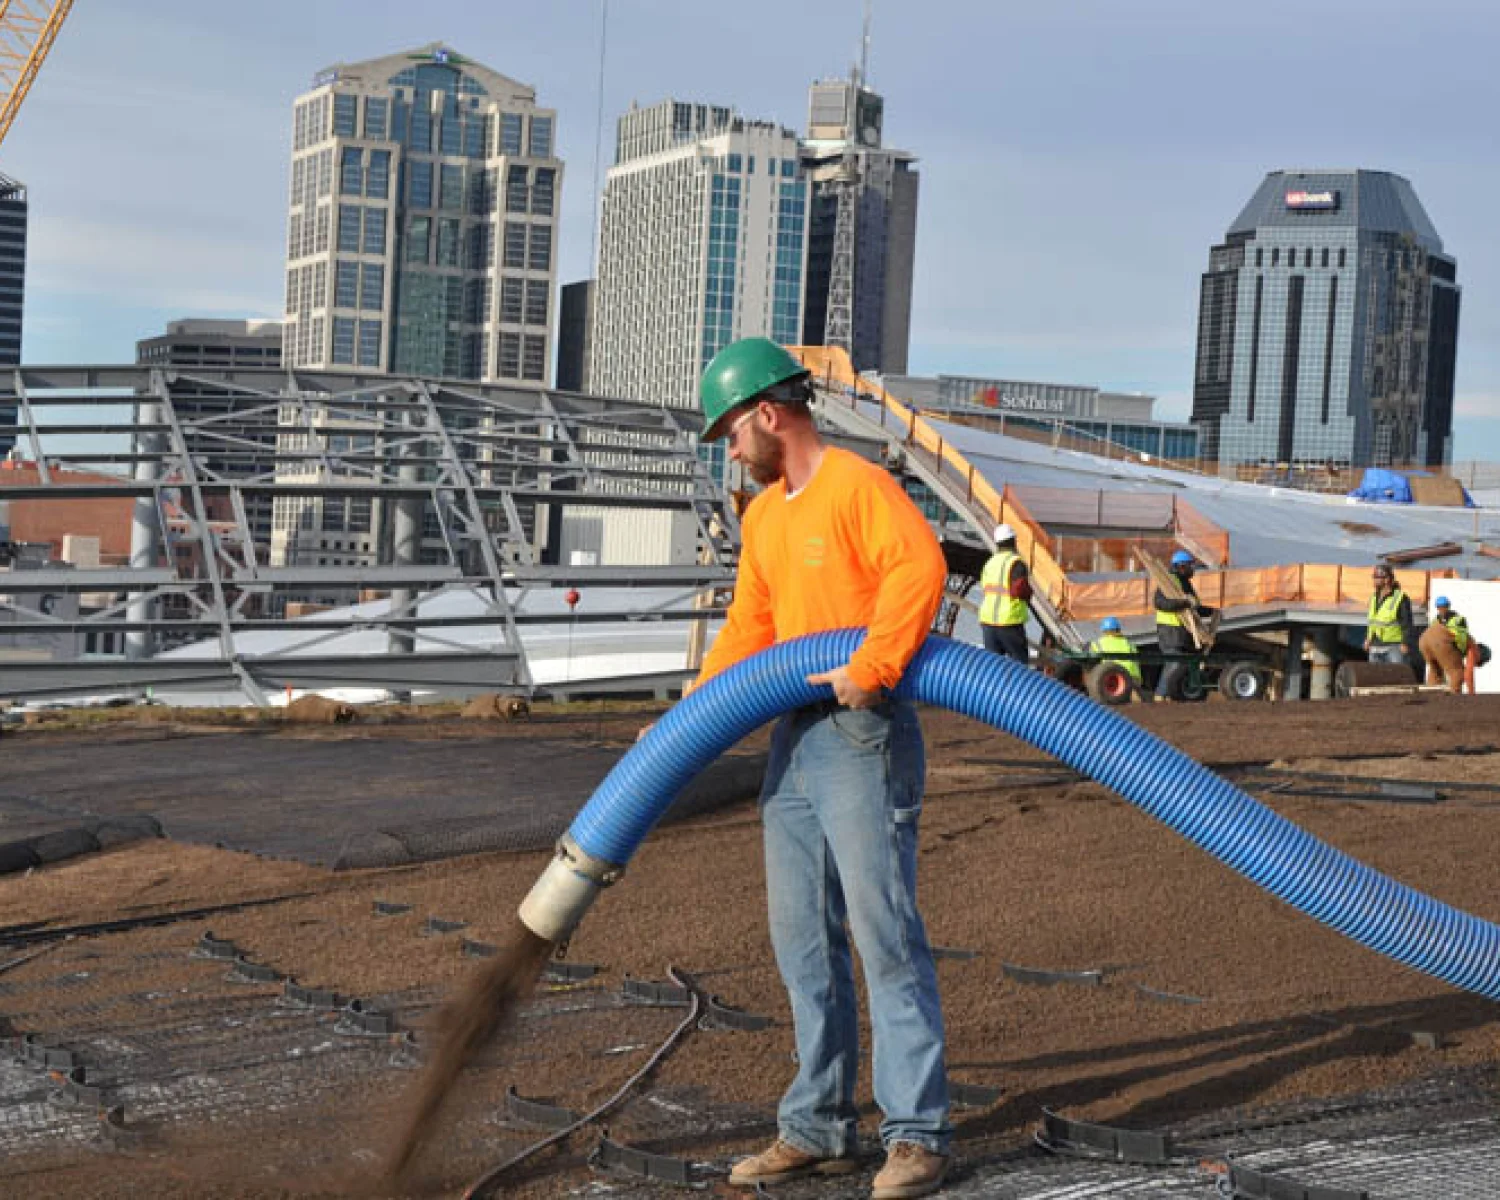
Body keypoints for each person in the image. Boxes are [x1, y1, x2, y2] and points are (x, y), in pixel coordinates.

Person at [694, 338, 952, 1198]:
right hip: (792, 741)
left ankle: (915, 1137)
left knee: (883, 933)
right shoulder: (766, 515)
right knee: (801, 936)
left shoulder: (856, 486)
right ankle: (819, 1126)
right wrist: (696, 711)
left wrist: (872, 666)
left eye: (730, 431)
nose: (729, 449)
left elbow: (919, 568)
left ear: (768, 415)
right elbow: (751, 626)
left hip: (857, 732)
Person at [1153, 550, 1214, 702]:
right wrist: (1185, 602)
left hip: (1181, 631)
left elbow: (1195, 607)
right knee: (1175, 662)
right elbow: (1160, 603)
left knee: (1179, 663)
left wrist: (1211, 611)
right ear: (1181, 566)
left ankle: (1167, 695)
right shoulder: (1170, 582)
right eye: (1190, 566)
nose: (1192, 569)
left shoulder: (1186, 584)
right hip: (1169, 630)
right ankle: (1161, 695)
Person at [978, 524, 1032, 666]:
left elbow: (985, 588)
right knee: (1020, 667)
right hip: (1009, 622)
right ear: (1013, 541)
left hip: (988, 623)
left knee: (993, 668)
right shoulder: (1016, 563)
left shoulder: (990, 563)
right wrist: (1029, 594)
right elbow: (1019, 589)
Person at [1365, 565, 1415, 666]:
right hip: (1375, 646)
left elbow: (1407, 623)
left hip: (1394, 646)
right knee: (1375, 677)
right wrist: (1368, 639)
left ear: (1387, 579)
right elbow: (1373, 621)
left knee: (1396, 677)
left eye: (1377, 578)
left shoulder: (1400, 598)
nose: (1374, 581)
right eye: (1374, 577)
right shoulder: (1374, 597)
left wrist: (1405, 643)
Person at [1421, 596, 1470, 694]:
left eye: (1443, 606)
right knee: (1457, 671)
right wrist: (1461, 651)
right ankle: (1455, 695)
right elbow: (1462, 637)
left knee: (1435, 670)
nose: (1441, 609)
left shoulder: (1436, 620)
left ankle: (1432, 694)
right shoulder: (1458, 619)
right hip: (1443, 644)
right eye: (1440, 607)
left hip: (1424, 642)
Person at [1089, 616, 1142, 690]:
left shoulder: (1097, 643)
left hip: (1112, 678)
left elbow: (1091, 662)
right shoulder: (1128, 643)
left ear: (1103, 630)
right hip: (1133, 678)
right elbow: (1137, 660)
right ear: (1118, 629)